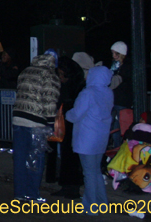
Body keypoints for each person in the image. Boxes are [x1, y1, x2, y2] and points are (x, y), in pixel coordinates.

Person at [12, 51, 61, 203]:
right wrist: (51, 124)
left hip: (19, 118)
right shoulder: (50, 75)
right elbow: (50, 101)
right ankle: (32, 193)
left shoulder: (26, 71)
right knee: (35, 159)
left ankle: (20, 192)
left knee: (20, 158)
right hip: (36, 122)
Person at [65, 65, 113, 215]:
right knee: (96, 171)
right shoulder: (108, 93)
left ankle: (91, 206)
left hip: (87, 138)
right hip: (100, 137)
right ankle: (102, 204)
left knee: (89, 172)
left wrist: (67, 114)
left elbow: (77, 114)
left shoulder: (88, 93)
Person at [50, 56, 86, 199]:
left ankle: (72, 187)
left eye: (62, 74)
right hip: (64, 124)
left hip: (73, 126)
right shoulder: (66, 86)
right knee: (65, 156)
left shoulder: (76, 87)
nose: (60, 77)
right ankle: (66, 185)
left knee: (71, 157)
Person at [108, 41, 132, 148]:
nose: (113, 56)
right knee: (111, 126)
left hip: (122, 101)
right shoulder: (115, 65)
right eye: (112, 53)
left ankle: (118, 149)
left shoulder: (127, 66)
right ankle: (113, 148)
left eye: (115, 53)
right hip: (113, 100)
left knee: (120, 127)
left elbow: (122, 82)